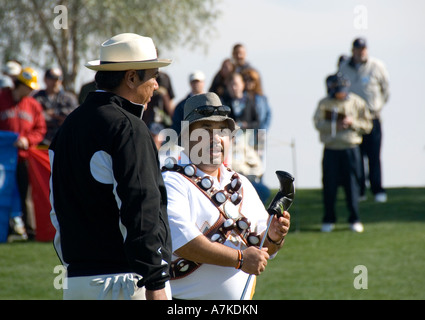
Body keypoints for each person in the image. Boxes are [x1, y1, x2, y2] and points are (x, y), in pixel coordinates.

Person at [49, 33, 173, 300]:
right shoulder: (128, 127)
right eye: (153, 75)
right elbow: (141, 208)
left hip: (77, 283)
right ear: (130, 77)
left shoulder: (67, 127)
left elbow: (55, 211)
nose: (155, 85)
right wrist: (155, 281)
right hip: (125, 284)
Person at [162, 92, 290, 299]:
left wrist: (275, 237)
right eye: (205, 130)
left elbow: (263, 247)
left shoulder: (241, 183)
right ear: (186, 137)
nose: (215, 138)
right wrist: (239, 259)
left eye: (222, 131)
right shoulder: (171, 182)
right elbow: (183, 243)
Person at [313, 73, 372, 233]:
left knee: (352, 186)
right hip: (331, 149)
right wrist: (334, 124)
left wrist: (352, 122)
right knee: (329, 186)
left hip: (350, 149)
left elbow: (368, 125)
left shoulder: (357, 102)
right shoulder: (324, 103)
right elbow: (318, 123)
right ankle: (329, 218)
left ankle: (354, 218)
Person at [338, 38, 390, 203]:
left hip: (372, 117)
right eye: (358, 49)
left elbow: (386, 90)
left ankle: (377, 190)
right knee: (356, 158)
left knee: (374, 156)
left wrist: (377, 106)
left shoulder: (377, 65)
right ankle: (359, 190)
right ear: (352, 50)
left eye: (364, 48)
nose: (361, 51)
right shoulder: (344, 67)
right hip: (352, 119)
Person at [0, 67, 47, 240]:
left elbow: (40, 129)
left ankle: (30, 230)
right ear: (19, 84)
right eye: (28, 87)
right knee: (3, 193)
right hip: (3, 159)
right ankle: (5, 229)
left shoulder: (33, 105)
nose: (30, 91)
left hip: (24, 158)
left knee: (26, 193)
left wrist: (28, 140)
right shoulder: (2, 98)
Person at [222, 72, 270, 203]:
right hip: (232, 147)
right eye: (231, 85)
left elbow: (257, 122)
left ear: (242, 85)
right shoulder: (224, 102)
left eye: (236, 84)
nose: (234, 88)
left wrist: (244, 125)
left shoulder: (250, 101)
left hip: (248, 144)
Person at [33, 68, 78, 146]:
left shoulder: (69, 98)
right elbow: (33, 116)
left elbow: (74, 116)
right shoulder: (37, 97)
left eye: (57, 79)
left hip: (64, 141)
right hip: (42, 142)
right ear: (45, 79)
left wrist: (54, 113)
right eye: (51, 79)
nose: (55, 82)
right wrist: (59, 118)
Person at [142, 71, 175, 149]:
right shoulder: (143, 73)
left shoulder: (165, 77)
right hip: (146, 119)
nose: (155, 86)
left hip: (162, 121)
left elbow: (169, 101)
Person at [171, 70, 206, 136]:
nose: (196, 84)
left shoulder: (212, 103)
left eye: (198, 82)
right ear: (190, 83)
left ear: (203, 83)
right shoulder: (181, 106)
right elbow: (176, 127)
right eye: (194, 82)